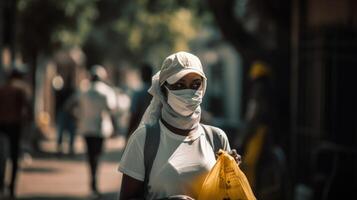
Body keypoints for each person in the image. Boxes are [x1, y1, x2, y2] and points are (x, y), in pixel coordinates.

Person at [118, 51, 240, 200]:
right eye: (179, 85)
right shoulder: (143, 140)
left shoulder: (217, 139)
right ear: (163, 90)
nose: (189, 91)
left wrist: (232, 174)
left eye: (196, 84)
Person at [76, 65, 117, 196]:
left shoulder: (83, 90)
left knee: (90, 156)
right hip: (100, 128)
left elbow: (76, 107)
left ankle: (92, 182)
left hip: (86, 128)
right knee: (97, 156)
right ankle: (94, 182)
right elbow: (111, 108)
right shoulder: (107, 91)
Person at [0, 68, 31, 198]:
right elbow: (26, 109)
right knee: (14, 157)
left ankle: (1, 185)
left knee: (1, 156)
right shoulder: (21, 89)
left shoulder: (3, 89)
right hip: (15, 125)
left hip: (1, 124)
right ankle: (12, 188)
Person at [127, 63, 153, 138]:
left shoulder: (138, 92)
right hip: (156, 131)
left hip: (140, 131)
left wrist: (128, 133)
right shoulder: (158, 91)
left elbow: (134, 114)